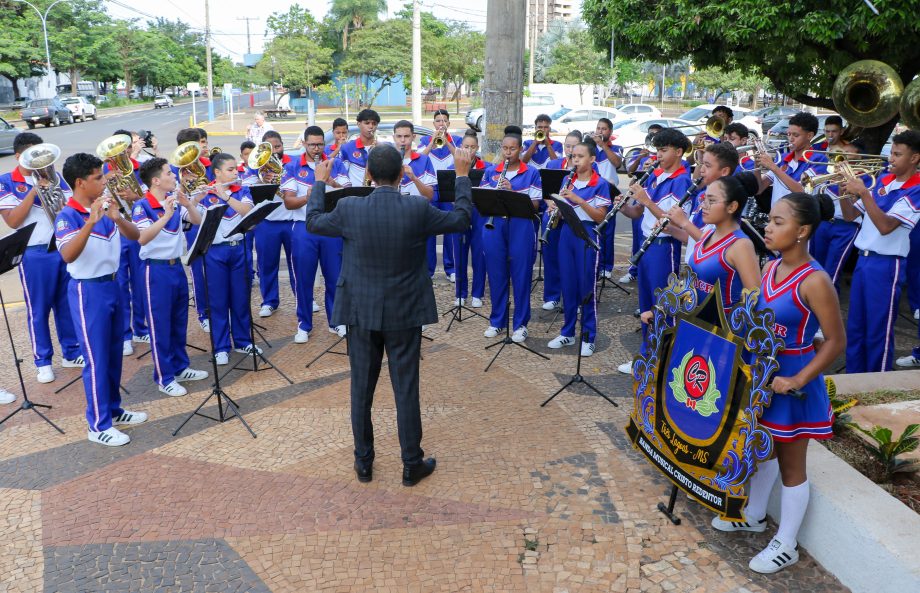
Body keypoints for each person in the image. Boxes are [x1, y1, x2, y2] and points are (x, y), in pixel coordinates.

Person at [305, 144, 474, 486]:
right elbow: (461, 218)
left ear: (368, 174)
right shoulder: (416, 208)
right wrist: (461, 176)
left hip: (361, 311)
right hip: (404, 311)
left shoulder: (350, 208)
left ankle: (363, 462)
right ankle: (411, 463)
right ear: (401, 175)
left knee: (361, 389)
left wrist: (319, 182)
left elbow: (312, 222)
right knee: (406, 389)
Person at [712, 192, 844, 576]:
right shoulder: (769, 268)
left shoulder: (816, 280)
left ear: (802, 231)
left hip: (792, 381)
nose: (768, 227)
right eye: (768, 220)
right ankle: (753, 514)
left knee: (791, 462)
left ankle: (785, 543)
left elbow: (835, 342)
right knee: (761, 447)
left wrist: (797, 379)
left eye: (778, 222)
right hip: (762, 375)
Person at [56, 153, 147, 447]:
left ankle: (114, 410)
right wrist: (91, 222)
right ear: (81, 183)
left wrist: (117, 216)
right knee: (96, 359)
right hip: (88, 291)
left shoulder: (108, 206)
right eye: (98, 177)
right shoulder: (67, 215)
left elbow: (136, 237)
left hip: (113, 286)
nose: (104, 180)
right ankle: (97, 424)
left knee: (113, 354)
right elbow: (68, 255)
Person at [0, 132, 84, 384]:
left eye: (42, 155)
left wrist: (52, 186)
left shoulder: (55, 178)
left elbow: (69, 209)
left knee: (65, 305)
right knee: (38, 309)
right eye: (33, 156)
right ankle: (43, 362)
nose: (41, 161)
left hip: (60, 247)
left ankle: (70, 352)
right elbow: (13, 220)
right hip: (34, 253)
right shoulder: (6, 181)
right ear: (18, 156)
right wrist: (33, 193)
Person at [839, 130, 920, 373]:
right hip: (863, 262)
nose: (891, 158)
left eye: (897, 154)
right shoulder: (884, 180)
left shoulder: (915, 189)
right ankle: (852, 386)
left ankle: (876, 388)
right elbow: (849, 215)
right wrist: (844, 189)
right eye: (891, 152)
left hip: (886, 264)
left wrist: (863, 192)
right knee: (855, 329)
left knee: (878, 333)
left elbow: (885, 226)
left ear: (915, 158)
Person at [618, 128, 693, 372]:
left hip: (664, 246)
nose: (658, 155)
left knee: (663, 304)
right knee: (646, 304)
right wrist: (622, 206)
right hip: (646, 244)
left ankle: (662, 359)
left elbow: (673, 222)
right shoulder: (655, 175)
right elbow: (637, 213)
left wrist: (647, 200)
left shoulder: (683, 181)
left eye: (663, 150)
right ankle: (647, 353)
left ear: (679, 152)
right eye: (657, 150)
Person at [133, 158, 209, 396]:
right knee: (160, 325)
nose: (174, 176)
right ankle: (164, 377)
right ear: (156, 180)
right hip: (155, 270)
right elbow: (142, 238)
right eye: (169, 173)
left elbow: (197, 221)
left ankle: (180, 366)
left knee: (178, 320)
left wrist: (189, 203)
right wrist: (165, 216)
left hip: (176, 267)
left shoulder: (173, 202)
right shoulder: (142, 206)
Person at [281, 125, 351, 343]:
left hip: (330, 226)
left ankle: (337, 321)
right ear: (304, 144)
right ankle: (304, 324)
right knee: (303, 278)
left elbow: (347, 194)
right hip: (304, 226)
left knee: (336, 276)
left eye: (320, 144)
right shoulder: (293, 166)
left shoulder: (336, 164)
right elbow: (289, 202)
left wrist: (331, 182)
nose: (316, 148)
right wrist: (309, 196)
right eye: (312, 144)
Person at [546, 139, 610, 356]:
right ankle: (568, 331)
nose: (576, 160)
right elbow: (564, 208)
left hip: (588, 234)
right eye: (574, 156)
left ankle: (589, 335)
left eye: (581, 156)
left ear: (592, 159)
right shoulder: (567, 179)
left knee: (586, 287)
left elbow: (601, 216)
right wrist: (556, 207)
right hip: (567, 232)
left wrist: (578, 199)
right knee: (568, 284)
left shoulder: (599, 183)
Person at [479, 132, 543, 343]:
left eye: (512, 149)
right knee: (496, 275)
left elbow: (535, 205)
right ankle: (497, 321)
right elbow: (482, 199)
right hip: (495, 225)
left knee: (521, 275)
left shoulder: (531, 173)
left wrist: (512, 190)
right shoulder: (490, 172)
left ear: (520, 149)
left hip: (521, 226)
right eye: (505, 149)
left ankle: (521, 324)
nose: (508, 153)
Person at [666, 174, 761, 312]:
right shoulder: (709, 235)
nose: (704, 206)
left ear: (732, 206)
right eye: (704, 200)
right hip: (695, 322)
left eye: (711, 201)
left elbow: (754, 297)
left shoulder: (741, 245)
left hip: (721, 328)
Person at [202, 153, 262, 365]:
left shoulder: (242, 190)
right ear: (217, 172)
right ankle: (220, 347)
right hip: (215, 251)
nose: (235, 173)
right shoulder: (205, 193)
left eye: (235, 169)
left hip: (239, 249)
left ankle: (243, 340)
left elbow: (247, 211)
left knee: (240, 298)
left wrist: (226, 196)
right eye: (230, 170)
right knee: (218, 301)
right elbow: (196, 220)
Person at [107, 128, 150, 357]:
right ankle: (124, 333)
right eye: (118, 149)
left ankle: (141, 328)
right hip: (116, 232)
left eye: (125, 147)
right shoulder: (104, 171)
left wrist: (136, 198)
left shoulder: (139, 168)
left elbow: (150, 198)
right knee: (121, 285)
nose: (122, 152)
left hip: (136, 230)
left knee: (140, 281)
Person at [173, 127, 214, 332]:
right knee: (198, 270)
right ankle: (203, 313)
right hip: (191, 224)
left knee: (216, 268)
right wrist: (182, 185)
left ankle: (218, 309)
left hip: (214, 218)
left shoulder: (210, 165)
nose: (203, 147)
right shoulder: (175, 171)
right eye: (200, 144)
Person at [810, 142, 864, 292]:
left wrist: (844, 182)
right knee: (816, 265)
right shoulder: (828, 174)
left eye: (849, 153)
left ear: (858, 157)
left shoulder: (862, 177)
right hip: (823, 223)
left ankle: (829, 304)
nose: (843, 157)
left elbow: (856, 206)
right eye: (841, 153)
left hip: (845, 226)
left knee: (832, 269)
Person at [253, 130, 295, 318]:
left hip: (291, 220)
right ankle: (269, 301)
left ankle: (304, 299)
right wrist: (261, 180)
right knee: (267, 264)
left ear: (282, 145)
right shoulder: (255, 168)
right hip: (267, 222)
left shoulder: (292, 163)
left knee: (299, 264)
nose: (275, 152)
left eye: (277, 147)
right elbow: (247, 189)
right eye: (270, 149)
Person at [541, 131, 584, 311]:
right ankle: (552, 295)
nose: (570, 150)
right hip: (554, 212)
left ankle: (576, 297)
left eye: (574, 147)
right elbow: (546, 192)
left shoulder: (587, 166)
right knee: (550, 255)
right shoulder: (553, 164)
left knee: (572, 259)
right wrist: (551, 204)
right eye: (567, 146)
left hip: (574, 215)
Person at [446, 130, 488, 308]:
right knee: (459, 252)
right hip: (460, 211)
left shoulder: (486, 168)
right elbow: (447, 193)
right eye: (465, 147)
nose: (469, 150)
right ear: (460, 148)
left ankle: (477, 293)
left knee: (479, 253)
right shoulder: (451, 168)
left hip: (479, 212)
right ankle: (460, 293)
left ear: (477, 148)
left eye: (472, 147)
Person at [418, 109, 461, 280]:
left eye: (444, 121)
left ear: (448, 124)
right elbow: (419, 159)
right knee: (429, 229)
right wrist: (432, 143)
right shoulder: (424, 140)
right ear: (433, 124)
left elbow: (460, 157)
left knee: (450, 229)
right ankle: (428, 270)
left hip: (449, 189)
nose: (441, 124)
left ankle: (451, 269)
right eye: (437, 121)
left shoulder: (457, 141)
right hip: (431, 189)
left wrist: (447, 141)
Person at [393, 120, 439, 279]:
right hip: (394, 218)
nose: (403, 140)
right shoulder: (388, 159)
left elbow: (430, 195)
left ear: (413, 137)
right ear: (394, 138)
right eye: (399, 136)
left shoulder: (423, 160)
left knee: (421, 266)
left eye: (406, 136)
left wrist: (413, 177)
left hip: (417, 217)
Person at [755, 112, 828, 206]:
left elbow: (802, 192)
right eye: (789, 134)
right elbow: (759, 189)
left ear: (809, 136)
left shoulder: (818, 160)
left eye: (796, 135)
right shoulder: (783, 158)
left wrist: (774, 167)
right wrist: (757, 166)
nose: (790, 139)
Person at [339, 109, 380, 187]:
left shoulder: (382, 149)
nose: (371, 127)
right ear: (358, 124)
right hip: (356, 195)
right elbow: (343, 176)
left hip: (376, 195)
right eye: (367, 123)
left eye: (374, 124)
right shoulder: (347, 148)